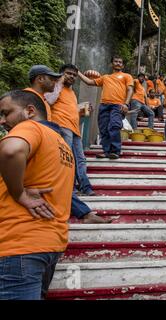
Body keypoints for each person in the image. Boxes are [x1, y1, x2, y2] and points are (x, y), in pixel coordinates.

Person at [0, 90, 75, 300]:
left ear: (29, 111)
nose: (3, 120)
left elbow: (11, 151)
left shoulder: (29, 127)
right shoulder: (62, 144)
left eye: (6, 113)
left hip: (17, 243)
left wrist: (19, 194)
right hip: (51, 243)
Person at [44, 63, 96, 197]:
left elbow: (71, 111)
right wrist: (60, 81)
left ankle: (85, 186)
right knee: (67, 159)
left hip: (74, 129)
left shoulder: (72, 92)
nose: (72, 76)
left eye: (74, 75)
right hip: (61, 126)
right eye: (68, 73)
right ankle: (70, 188)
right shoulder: (55, 86)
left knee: (81, 159)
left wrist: (82, 112)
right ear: (61, 74)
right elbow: (48, 101)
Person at [78, 56, 133, 160]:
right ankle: (107, 151)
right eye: (115, 61)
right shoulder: (105, 77)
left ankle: (115, 151)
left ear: (123, 65)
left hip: (118, 105)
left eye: (120, 62)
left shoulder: (126, 76)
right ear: (112, 64)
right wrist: (78, 72)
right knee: (103, 129)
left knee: (114, 126)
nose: (118, 63)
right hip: (104, 105)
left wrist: (126, 104)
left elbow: (130, 90)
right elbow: (89, 82)